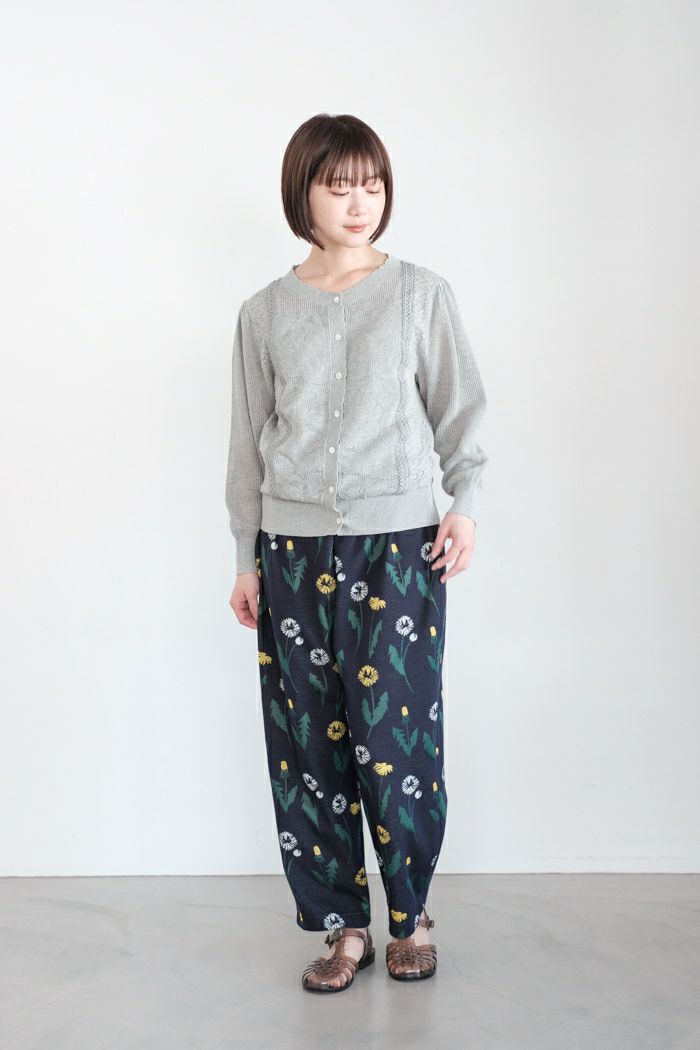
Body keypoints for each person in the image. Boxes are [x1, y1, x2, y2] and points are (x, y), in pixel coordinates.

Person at [225, 112, 488, 992]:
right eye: (338, 186)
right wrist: (246, 556)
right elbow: (246, 446)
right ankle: (343, 927)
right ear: (302, 191)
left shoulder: (420, 294)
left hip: (399, 549)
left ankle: (410, 916)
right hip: (292, 553)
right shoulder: (264, 313)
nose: (358, 202)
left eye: (371, 185)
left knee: (395, 739)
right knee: (308, 744)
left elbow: (460, 409)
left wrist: (465, 507)